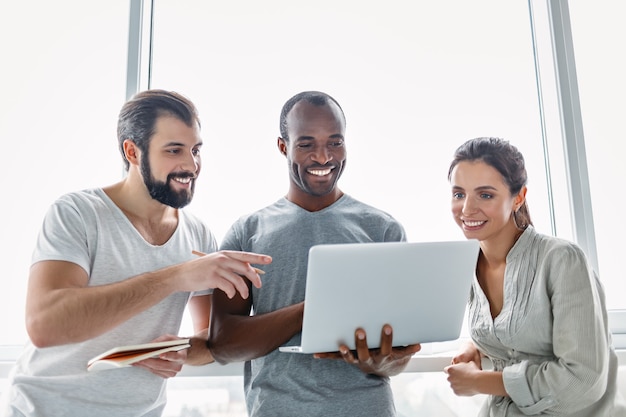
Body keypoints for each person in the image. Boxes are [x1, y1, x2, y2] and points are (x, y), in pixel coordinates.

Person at [1, 89, 271, 417]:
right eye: (174, 150)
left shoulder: (198, 234)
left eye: (195, 150)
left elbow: (208, 340)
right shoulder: (77, 213)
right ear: (132, 151)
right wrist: (176, 277)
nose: (191, 165)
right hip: (44, 409)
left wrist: (182, 351)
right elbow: (45, 326)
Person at [206, 90, 422, 416]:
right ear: (283, 146)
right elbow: (222, 344)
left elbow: (397, 358)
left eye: (335, 142)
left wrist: (382, 362)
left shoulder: (383, 230)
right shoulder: (247, 233)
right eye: (306, 144)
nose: (323, 157)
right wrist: (311, 310)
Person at [444, 137, 626, 416]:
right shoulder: (467, 266)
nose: (467, 209)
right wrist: (474, 346)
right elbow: (510, 333)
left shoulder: (562, 259)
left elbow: (583, 379)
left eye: (485, 195)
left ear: (518, 197)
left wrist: (482, 382)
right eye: (459, 194)